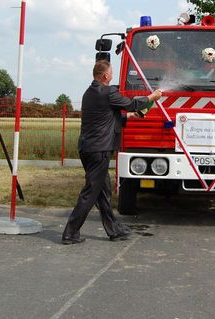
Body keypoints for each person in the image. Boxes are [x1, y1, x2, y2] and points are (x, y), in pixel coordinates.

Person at [62, 60, 162, 244]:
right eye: (111, 72)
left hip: (88, 148)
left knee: (103, 191)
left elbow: (106, 116)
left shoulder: (89, 93)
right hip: (99, 150)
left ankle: (114, 230)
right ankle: (70, 232)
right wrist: (152, 97)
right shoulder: (108, 92)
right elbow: (132, 104)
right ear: (105, 76)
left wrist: (130, 116)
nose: (113, 75)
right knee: (91, 192)